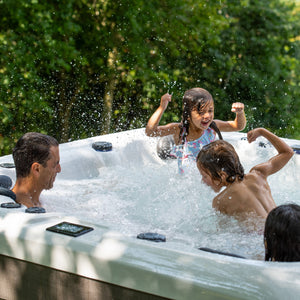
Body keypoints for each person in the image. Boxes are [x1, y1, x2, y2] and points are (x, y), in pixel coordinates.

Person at [196, 128, 294, 219]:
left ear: (222, 175)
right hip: (284, 225)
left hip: (262, 236)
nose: (202, 181)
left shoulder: (220, 201)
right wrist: (262, 131)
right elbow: (287, 152)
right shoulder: (258, 173)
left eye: (204, 176)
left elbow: (222, 234)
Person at [145, 88, 246, 174]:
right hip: (187, 183)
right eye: (201, 112)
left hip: (210, 179)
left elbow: (237, 126)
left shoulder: (212, 127)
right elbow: (150, 132)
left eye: (210, 111)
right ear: (188, 115)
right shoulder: (179, 130)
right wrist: (162, 107)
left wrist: (240, 113)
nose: (207, 116)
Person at [11, 132, 61, 208]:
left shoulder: (37, 201)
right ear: (37, 169)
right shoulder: (27, 213)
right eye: (54, 165)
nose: (59, 170)